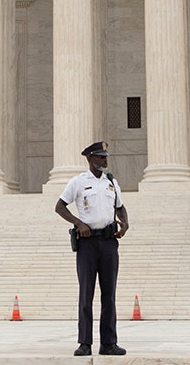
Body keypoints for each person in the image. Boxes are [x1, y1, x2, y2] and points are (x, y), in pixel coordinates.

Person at [55, 141, 129, 357]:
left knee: (109, 295)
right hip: (87, 243)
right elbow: (59, 206)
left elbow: (120, 207)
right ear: (90, 159)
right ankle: (85, 343)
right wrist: (78, 223)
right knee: (86, 294)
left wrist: (125, 223)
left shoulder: (111, 183)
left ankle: (108, 343)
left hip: (108, 242)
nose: (105, 160)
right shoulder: (78, 182)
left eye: (105, 157)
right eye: (100, 157)